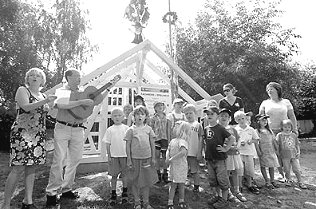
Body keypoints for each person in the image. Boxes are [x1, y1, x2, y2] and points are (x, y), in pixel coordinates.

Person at [45, 68, 114, 207]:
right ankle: (52, 193)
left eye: (80, 77)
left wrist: (108, 89)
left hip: (78, 129)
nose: (79, 79)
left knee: (75, 159)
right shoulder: (63, 90)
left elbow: (96, 100)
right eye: (76, 76)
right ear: (68, 77)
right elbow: (61, 105)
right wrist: (81, 102)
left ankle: (66, 189)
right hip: (63, 128)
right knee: (59, 160)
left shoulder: (83, 91)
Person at [1, 68, 57, 209]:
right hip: (21, 133)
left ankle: (28, 202)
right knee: (18, 168)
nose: (34, 77)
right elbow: (26, 107)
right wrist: (45, 101)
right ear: (27, 78)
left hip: (37, 135)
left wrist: (50, 105)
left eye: (38, 75)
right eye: (31, 75)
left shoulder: (43, 94)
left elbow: (44, 113)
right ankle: (6, 204)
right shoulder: (22, 90)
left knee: (31, 168)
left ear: (42, 80)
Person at [259, 81, 298, 182]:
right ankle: (281, 174)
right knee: (276, 154)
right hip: (270, 132)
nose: (269, 91)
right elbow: (260, 118)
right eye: (268, 89)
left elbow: (292, 116)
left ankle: (288, 174)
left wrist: (295, 130)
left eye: (271, 88)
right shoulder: (265, 103)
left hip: (285, 131)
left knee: (286, 152)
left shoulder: (286, 102)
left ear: (277, 90)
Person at [201, 106, 235, 209]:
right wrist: (203, 153)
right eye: (208, 114)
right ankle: (217, 196)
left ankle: (224, 200)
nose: (209, 116)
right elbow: (205, 142)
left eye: (212, 114)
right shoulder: (206, 129)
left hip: (219, 159)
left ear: (217, 116)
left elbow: (231, 138)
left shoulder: (220, 128)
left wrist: (226, 149)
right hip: (209, 158)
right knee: (213, 180)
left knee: (222, 180)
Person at [125, 105, 158, 209]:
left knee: (146, 182)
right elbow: (127, 145)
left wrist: (153, 158)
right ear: (133, 116)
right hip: (135, 159)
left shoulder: (149, 129)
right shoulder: (130, 130)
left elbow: (152, 144)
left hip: (146, 159)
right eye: (137, 114)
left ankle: (146, 202)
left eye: (142, 114)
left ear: (146, 117)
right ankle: (137, 202)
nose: (140, 116)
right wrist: (129, 159)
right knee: (135, 181)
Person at [218, 108, 246, 203]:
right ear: (218, 117)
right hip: (226, 155)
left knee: (235, 172)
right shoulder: (218, 128)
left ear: (229, 118)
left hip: (235, 154)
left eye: (226, 116)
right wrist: (228, 148)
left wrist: (237, 147)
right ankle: (228, 191)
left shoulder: (232, 129)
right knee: (226, 173)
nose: (224, 117)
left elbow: (238, 139)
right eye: (222, 115)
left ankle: (237, 191)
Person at [104, 108, 129, 206]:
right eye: (115, 115)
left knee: (125, 175)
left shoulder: (126, 128)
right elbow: (107, 143)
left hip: (125, 156)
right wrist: (109, 156)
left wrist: (129, 156)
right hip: (114, 156)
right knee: (114, 176)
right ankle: (113, 193)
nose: (117, 117)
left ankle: (125, 192)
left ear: (123, 117)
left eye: (119, 115)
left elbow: (129, 142)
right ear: (111, 117)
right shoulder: (110, 129)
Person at [166, 121, 191, 209]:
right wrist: (167, 158)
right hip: (173, 166)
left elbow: (183, 152)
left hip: (180, 166)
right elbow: (168, 149)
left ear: (181, 130)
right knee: (173, 184)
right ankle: (170, 201)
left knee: (181, 184)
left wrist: (171, 159)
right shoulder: (173, 140)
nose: (173, 128)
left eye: (175, 127)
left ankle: (181, 200)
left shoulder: (182, 141)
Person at [276, 119, 307, 189]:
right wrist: (277, 153)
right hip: (284, 155)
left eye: (289, 127)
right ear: (282, 127)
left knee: (297, 169)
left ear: (291, 127)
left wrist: (299, 152)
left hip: (294, 155)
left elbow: (297, 145)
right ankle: (288, 180)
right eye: (285, 127)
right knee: (286, 169)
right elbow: (277, 145)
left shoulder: (293, 135)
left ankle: (300, 181)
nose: (287, 128)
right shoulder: (279, 135)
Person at [234, 111, 260, 195]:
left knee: (249, 170)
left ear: (245, 118)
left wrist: (251, 141)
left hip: (249, 152)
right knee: (240, 170)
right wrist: (239, 142)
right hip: (239, 153)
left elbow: (256, 140)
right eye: (239, 119)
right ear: (235, 120)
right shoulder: (235, 129)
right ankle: (240, 186)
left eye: (242, 118)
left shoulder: (251, 129)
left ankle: (249, 185)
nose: (241, 120)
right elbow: (233, 140)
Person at [183, 104, 203, 199]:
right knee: (183, 169)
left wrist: (199, 151)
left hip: (194, 152)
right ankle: (182, 184)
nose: (188, 115)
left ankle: (196, 186)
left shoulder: (198, 125)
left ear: (195, 113)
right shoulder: (183, 125)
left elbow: (200, 138)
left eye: (190, 113)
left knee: (194, 170)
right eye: (186, 113)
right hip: (184, 152)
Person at [255, 114, 279, 189]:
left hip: (271, 151)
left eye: (266, 120)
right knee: (263, 166)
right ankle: (267, 181)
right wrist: (258, 151)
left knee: (272, 165)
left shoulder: (269, 130)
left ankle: (272, 180)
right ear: (258, 121)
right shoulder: (257, 131)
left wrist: (276, 149)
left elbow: (273, 140)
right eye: (263, 120)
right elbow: (256, 143)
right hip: (263, 151)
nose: (265, 121)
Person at [149, 101, 171, 183]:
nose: (160, 107)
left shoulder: (167, 118)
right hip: (156, 139)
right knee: (157, 156)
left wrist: (169, 140)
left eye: (161, 105)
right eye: (158, 106)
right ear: (155, 108)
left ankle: (165, 173)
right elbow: (151, 129)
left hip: (164, 139)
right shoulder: (153, 118)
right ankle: (157, 173)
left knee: (165, 156)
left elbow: (168, 129)